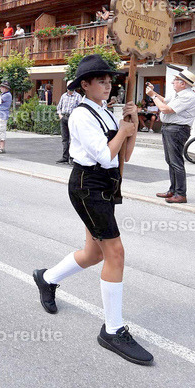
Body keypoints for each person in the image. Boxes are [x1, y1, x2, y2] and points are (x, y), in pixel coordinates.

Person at [31, 54, 151, 365]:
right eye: (101, 81)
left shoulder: (107, 113)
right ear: (85, 85)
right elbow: (105, 156)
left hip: (105, 184)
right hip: (88, 186)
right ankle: (112, 330)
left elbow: (124, 155)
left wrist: (133, 125)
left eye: (110, 81)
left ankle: (47, 278)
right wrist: (122, 132)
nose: (108, 86)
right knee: (115, 253)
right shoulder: (81, 115)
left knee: (94, 253)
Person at [146, 68, 195, 204]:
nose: (172, 82)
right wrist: (153, 92)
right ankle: (173, 190)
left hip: (177, 129)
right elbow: (164, 100)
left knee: (176, 162)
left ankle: (180, 194)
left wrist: (152, 96)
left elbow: (165, 109)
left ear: (183, 83)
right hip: (171, 128)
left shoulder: (187, 96)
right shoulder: (180, 94)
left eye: (175, 80)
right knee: (171, 161)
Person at [55, 81, 82, 164]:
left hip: (73, 118)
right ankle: (65, 157)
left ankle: (72, 158)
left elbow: (81, 109)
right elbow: (59, 107)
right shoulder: (63, 96)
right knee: (64, 138)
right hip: (64, 117)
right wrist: (60, 115)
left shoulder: (78, 96)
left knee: (73, 138)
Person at [0, 80, 13, 154]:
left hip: (3, 115)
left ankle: (2, 147)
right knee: (0, 130)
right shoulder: (4, 94)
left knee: (1, 131)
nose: (0, 88)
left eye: (2, 87)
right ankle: (0, 146)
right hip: (1, 114)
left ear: (6, 88)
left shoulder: (7, 95)